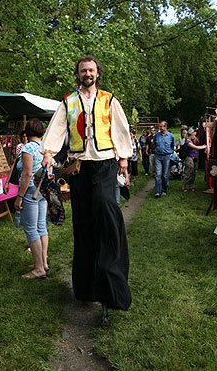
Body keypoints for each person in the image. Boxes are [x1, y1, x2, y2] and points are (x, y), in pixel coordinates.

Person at [40, 55, 133, 328]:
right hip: (79, 167)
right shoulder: (68, 102)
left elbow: (121, 129)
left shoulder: (109, 99)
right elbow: (57, 128)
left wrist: (124, 159)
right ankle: (85, 290)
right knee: (83, 226)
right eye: (83, 70)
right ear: (78, 74)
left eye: (91, 70)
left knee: (106, 212)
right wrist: (47, 153)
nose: (87, 73)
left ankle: (111, 286)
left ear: (97, 73)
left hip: (104, 165)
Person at [14, 118, 48, 279]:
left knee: (31, 229)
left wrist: (19, 196)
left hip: (31, 191)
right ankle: (43, 262)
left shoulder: (28, 148)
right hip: (44, 190)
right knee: (41, 226)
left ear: (27, 132)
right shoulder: (45, 148)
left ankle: (39, 269)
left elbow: (27, 174)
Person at [153, 121, 175, 198]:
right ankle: (157, 192)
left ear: (165, 127)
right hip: (158, 156)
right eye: (159, 126)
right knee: (158, 174)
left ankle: (164, 190)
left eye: (161, 126)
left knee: (165, 175)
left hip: (166, 157)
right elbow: (154, 145)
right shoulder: (156, 135)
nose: (160, 128)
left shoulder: (171, 136)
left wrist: (169, 153)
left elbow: (173, 146)